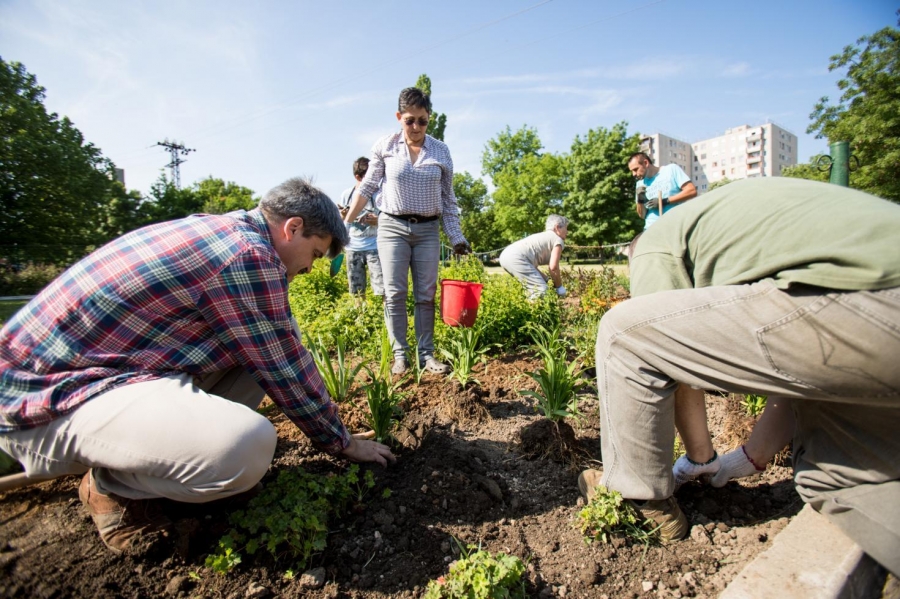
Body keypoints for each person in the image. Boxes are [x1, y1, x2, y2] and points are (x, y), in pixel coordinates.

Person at [0, 177, 395, 554]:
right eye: (314, 254)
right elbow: (284, 367)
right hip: (44, 401)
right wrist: (341, 442)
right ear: (292, 228)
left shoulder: (224, 231)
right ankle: (114, 488)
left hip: (101, 373)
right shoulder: (248, 255)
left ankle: (159, 465)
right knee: (248, 446)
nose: (309, 269)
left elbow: (276, 347)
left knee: (268, 338)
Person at [580, 177, 900, 576]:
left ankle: (641, 504)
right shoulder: (746, 219)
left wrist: (701, 460)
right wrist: (751, 458)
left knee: (624, 333)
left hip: (869, 299)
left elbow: (664, 358)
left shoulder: (654, 243)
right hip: (874, 316)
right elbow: (803, 368)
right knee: (839, 483)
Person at [343, 87, 469, 376]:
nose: (416, 127)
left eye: (422, 121)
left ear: (429, 119)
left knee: (426, 295)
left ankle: (427, 356)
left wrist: (456, 237)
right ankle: (400, 356)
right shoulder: (386, 146)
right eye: (410, 120)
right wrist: (347, 221)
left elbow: (448, 200)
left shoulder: (441, 151)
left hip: (427, 230)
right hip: (392, 227)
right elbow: (368, 187)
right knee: (394, 293)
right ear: (399, 117)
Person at [338, 156, 384, 302]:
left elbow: (391, 220)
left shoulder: (379, 195)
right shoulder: (347, 195)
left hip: (375, 247)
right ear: (357, 177)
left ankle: (387, 320)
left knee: (383, 288)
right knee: (356, 291)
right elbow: (341, 221)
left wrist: (378, 221)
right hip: (353, 248)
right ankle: (361, 320)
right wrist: (344, 216)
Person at [499, 215, 569, 299]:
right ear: (557, 227)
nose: (567, 232)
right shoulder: (557, 239)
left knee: (533, 289)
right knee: (540, 291)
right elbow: (553, 267)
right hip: (516, 257)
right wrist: (559, 287)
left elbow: (530, 266)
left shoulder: (542, 237)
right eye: (566, 228)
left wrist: (546, 280)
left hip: (505, 255)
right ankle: (530, 312)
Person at [627, 152, 697, 229]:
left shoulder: (671, 170)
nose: (633, 174)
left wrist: (663, 201)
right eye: (632, 171)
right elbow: (642, 215)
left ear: (646, 163)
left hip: (674, 226)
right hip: (651, 230)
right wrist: (640, 199)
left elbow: (691, 191)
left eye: (635, 169)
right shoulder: (640, 184)